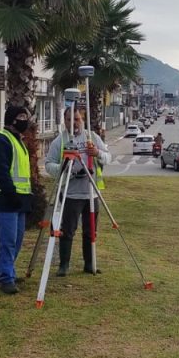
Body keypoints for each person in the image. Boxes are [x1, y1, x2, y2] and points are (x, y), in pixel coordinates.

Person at [45, 107, 111, 277]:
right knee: (68, 230)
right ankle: (64, 265)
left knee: (90, 231)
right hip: (71, 193)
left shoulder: (92, 137)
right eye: (69, 119)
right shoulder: (59, 141)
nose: (73, 123)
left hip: (91, 192)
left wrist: (97, 153)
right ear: (64, 121)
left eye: (76, 119)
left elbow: (108, 156)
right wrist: (65, 169)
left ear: (81, 119)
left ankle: (90, 264)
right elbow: (49, 164)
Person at [0, 106, 35, 294]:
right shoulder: (1, 140)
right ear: (12, 119)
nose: (26, 120)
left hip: (19, 199)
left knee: (17, 239)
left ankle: (1, 273)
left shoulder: (19, 142)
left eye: (27, 116)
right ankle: (7, 277)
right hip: (5, 198)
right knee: (8, 240)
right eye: (22, 116)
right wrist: (12, 194)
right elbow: (0, 172)